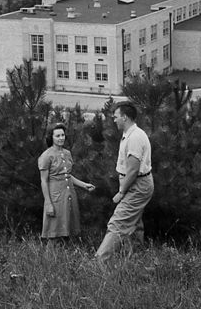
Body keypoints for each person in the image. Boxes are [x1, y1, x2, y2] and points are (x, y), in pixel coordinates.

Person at [95, 101, 153, 265]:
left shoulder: (135, 137)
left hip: (137, 185)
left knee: (118, 223)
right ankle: (136, 261)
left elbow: (133, 170)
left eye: (116, 117)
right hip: (137, 184)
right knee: (134, 224)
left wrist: (121, 192)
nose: (114, 120)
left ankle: (100, 262)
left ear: (125, 117)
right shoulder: (131, 134)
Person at [38, 123, 95, 245]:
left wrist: (84, 185)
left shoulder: (67, 153)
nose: (61, 138)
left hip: (68, 194)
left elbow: (67, 175)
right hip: (55, 196)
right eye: (57, 135)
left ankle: (65, 257)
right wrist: (48, 203)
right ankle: (50, 258)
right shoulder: (46, 156)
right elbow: (44, 180)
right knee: (54, 228)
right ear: (51, 137)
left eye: (62, 135)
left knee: (68, 228)